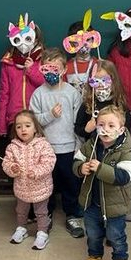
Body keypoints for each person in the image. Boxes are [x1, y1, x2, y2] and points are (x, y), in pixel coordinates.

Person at [74, 105, 131, 260]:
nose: (105, 129)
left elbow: (124, 176)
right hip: (92, 202)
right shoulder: (91, 144)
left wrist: (100, 168)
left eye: (110, 125)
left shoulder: (125, 150)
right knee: (93, 234)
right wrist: (80, 168)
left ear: (121, 129)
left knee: (116, 235)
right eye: (101, 125)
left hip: (114, 204)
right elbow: (77, 158)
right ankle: (94, 258)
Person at [29, 48, 84, 238]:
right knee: (47, 184)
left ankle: (72, 214)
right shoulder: (38, 94)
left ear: (63, 70)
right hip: (46, 148)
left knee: (71, 183)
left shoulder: (72, 93)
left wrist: (78, 145)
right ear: (41, 69)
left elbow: (79, 122)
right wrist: (50, 115)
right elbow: (34, 122)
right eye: (47, 69)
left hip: (69, 147)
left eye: (56, 69)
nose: (51, 73)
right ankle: (46, 214)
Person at [2, 110, 56, 250]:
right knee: (21, 210)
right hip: (22, 187)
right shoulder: (12, 147)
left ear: (35, 127)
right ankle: (21, 228)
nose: (23, 129)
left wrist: (36, 172)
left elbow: (49, 162)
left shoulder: (43, 144)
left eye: (27, 125)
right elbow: (6, 163)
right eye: (19, 127)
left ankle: (42, 232)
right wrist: (12, 168)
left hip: (41, 187)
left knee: (41, 211)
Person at [0, 14, 44, 137]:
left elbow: (46, 84)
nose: (23, 44)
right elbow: (3, 95)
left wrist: (31, 69)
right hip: (15, 120)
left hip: (37, 118)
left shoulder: (43, 60)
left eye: (28, 39)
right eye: (18, 39)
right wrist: (1, 126)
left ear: (36, 40)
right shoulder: (8, 63)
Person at [74, 60, 131, 141]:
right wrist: (86, 130)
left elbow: (127, 131)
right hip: (93, 150)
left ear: (113, 80)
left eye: (105, 80)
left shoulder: (120, 104)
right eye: (96, 81)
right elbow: (78, 129)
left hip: (115, 150)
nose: (101, 85)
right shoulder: (88, 104)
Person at [63, 20, 99, 93]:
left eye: (88, 39)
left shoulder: (100, 66)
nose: (84, 44)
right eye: (78, 41)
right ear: (72, 43)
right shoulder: (66, 68)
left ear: (93, 40)